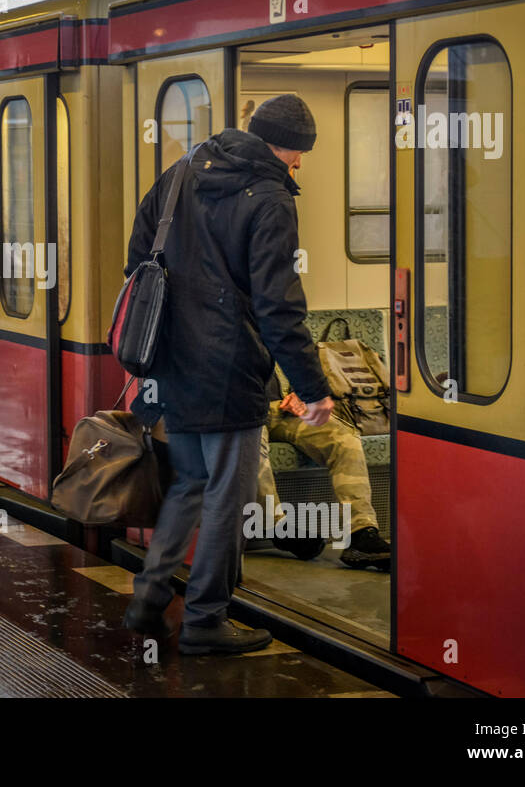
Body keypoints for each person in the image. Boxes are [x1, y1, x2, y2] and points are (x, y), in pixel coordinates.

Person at [121, 94, 334, 656]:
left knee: (190, 481)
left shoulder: (181, 171)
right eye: (300, 154)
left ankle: (147, 596)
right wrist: (312, 388)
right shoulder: (270, 200)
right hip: (229, 368)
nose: (299, 165)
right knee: (227, 496)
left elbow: (138, 259)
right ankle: (205, 621)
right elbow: (277, 305)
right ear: (290, 150)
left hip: (170, 364)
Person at [255, 378, 392, 570]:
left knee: (343, 438)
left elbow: (293, 359)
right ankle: (276, 525)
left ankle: (360, 533)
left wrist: (301, 393)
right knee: (250, 443)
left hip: (281, 407)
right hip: (242, 408)